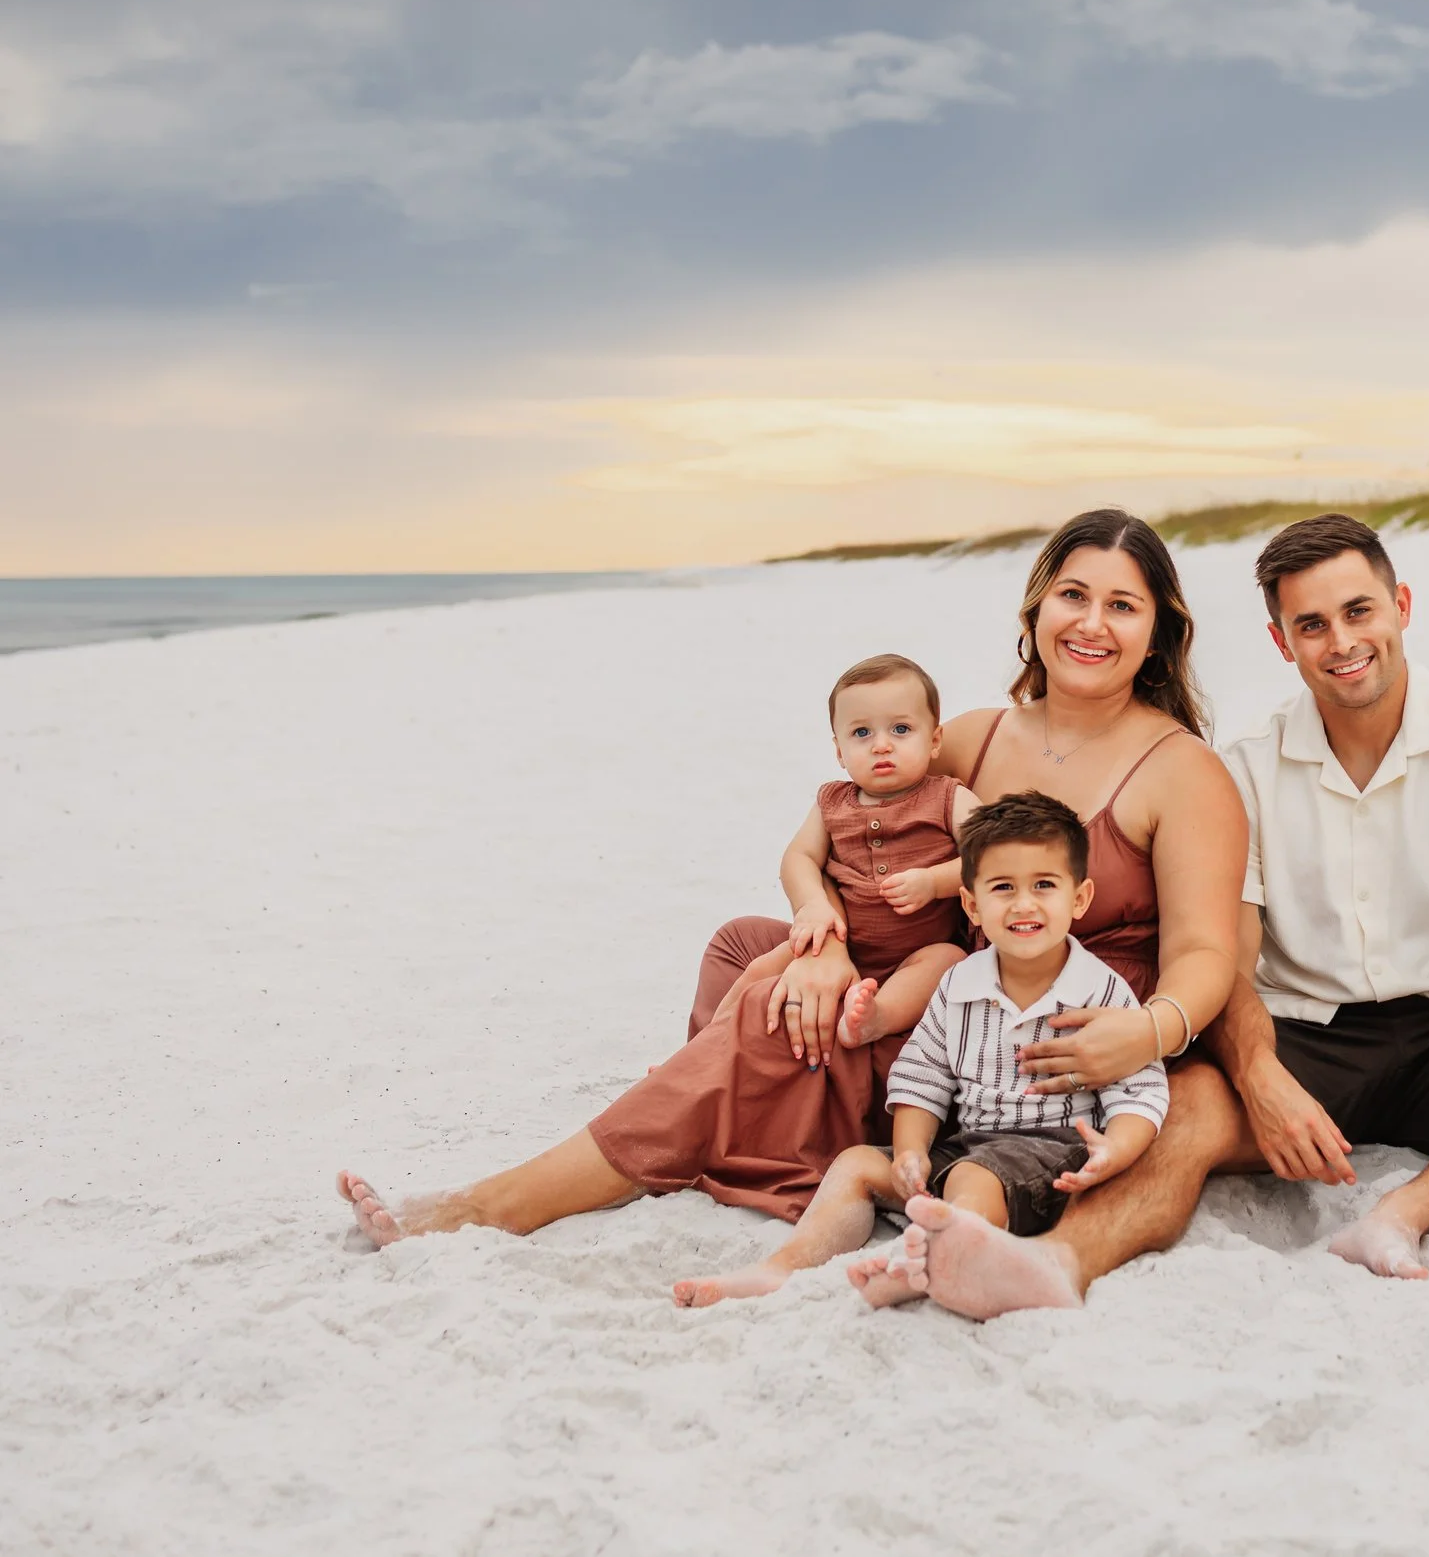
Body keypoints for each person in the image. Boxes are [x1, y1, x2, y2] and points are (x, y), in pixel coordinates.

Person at [335, 509, 1243, 1250]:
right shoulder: (973, 735)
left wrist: (1146, 1032)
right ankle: (705, 1112)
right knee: (747, 946)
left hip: (1034, 1034)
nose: (1091, 622)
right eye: (1073, 595)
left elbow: (1207, 952)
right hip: (938, 976)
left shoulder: (1180, 770)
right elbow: (855, 857)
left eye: (1122, 605)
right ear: (1036, 610)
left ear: (1159, 629)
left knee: (775, 1013)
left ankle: (497, 1203)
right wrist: (825, 944)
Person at [872, 514, 1429, 1319]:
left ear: (1401, 607)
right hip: (1311, 1035)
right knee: (1185, 1099)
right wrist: (1262, 1080)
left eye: (1358, 612)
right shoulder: (1247, 766)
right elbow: (1226, 955)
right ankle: (1057, 1263)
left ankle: (1403, 1212)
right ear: (1281, 641)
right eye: (1311, 623)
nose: (1340, 641)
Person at [671, 792, 1171, 1308]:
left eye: (1044, 886)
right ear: (972, 905)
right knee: (858, 1164)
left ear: (1080, 898)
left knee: (976, 1179)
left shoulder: (1099, 990)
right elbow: (922, 1075)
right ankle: (784, 1266)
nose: (1024, 904)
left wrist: (1118, 1149)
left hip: (1056, 1154)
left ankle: (929, 1261)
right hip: (968, 1144)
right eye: (1003, 888)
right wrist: (910, 1152)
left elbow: (1140, 1088)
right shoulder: (960, 984)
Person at [768, 652, 977, 1068]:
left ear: (934, 740)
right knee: (758, 972)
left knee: (948, 962)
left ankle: (875, 1019)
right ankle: (699, 1046)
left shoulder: (947, 797)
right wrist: (812, 904)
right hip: (840, 945)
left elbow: (992, 857)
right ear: (839, 751)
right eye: (861, 733)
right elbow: (799, 857)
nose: (882, 744)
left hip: (917, 950)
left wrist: (934, 882)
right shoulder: (831, 802)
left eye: (901, 729)